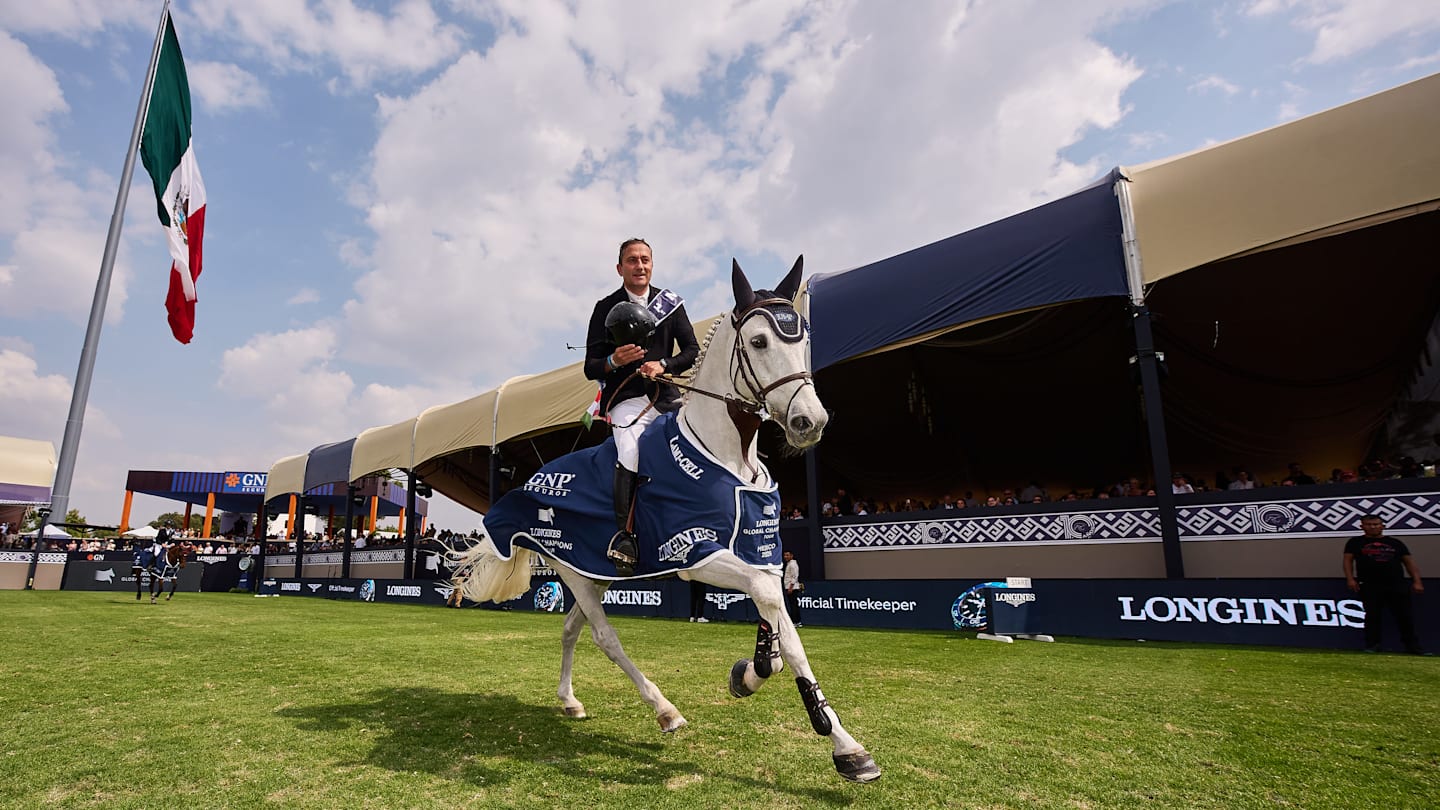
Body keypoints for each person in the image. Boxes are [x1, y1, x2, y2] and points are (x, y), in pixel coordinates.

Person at [585, 238, 699, 576]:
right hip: (626, 398)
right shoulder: (604, 306)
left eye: (645, 259)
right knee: (630, 450)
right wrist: (612, 359)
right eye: (632, 260)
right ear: (620, 268)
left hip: (666, 396)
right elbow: (591, 367)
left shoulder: (671, 304)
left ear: (652, 264)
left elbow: (691, 349)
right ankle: (625, 537)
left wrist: (664, 364)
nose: (640, 265)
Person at [1343, 515, 1427, 654]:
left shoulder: (1395, 543)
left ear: (1383, 526)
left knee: (1404, 616)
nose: (1373, 527)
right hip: (1370, 584)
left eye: (1376, 524)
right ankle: (1373, 645)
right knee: (1372, 616)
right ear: (1362, 526)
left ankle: (1413, 647)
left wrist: (1417, 581)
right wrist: (1350, 579)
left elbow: (1409, 563)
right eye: (1369, 524)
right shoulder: (1355, 542)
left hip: (1396, 584)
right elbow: (1347, 561)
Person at [782, 550, 803, 628]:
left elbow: (794, 576)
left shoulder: (793, 564)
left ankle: (795, 621)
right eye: (785, 555)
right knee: (792, 605)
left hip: (792, 588)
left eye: (787, 555)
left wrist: (790, 587)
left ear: (791, 556)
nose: (785, 557)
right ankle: (796, 621)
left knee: (794, 605)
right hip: (789, 587)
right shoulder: (788, 564)